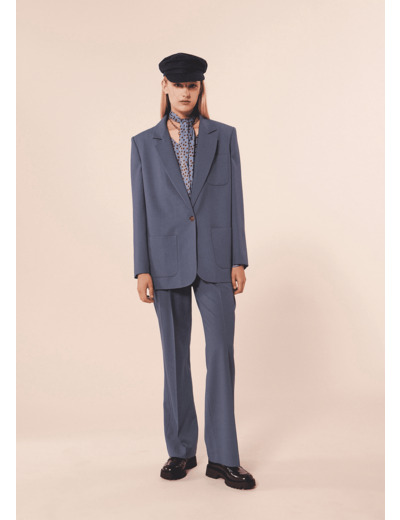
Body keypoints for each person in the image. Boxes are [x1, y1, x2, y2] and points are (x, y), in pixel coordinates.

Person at [130, 52, 256, 490]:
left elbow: (236, 199)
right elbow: (139, 209)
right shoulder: (143, 143)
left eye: (192, 85)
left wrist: (238, 257)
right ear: (164, 86)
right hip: (163, 260)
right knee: (174, 357)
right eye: (178, 84)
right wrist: (141, 268)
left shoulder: (224, 136)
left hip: (216, 258)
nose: (185, 93)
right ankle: (181, 450)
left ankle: (223, 457)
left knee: (220, 353)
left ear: (201, 88)